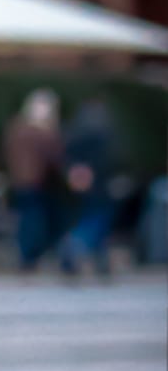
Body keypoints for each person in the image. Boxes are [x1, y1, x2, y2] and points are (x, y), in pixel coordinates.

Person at [2, 90, 62, 270]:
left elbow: (5, 154)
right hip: (36, 182)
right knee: (35, 219)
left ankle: (26, 254)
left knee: (26, 218)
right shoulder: (43, 132)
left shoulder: (16, 128)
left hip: (19, 181)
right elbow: (55, 157)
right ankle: (30, 255)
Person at [60, 97, 119, 278]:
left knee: (89, 219)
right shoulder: (102, 132)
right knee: (98, 221)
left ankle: (100, 261)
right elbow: (110, 161)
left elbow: (66, 158)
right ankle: (76, 246)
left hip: (79, 185)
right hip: (100, 185)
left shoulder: (73, 131)